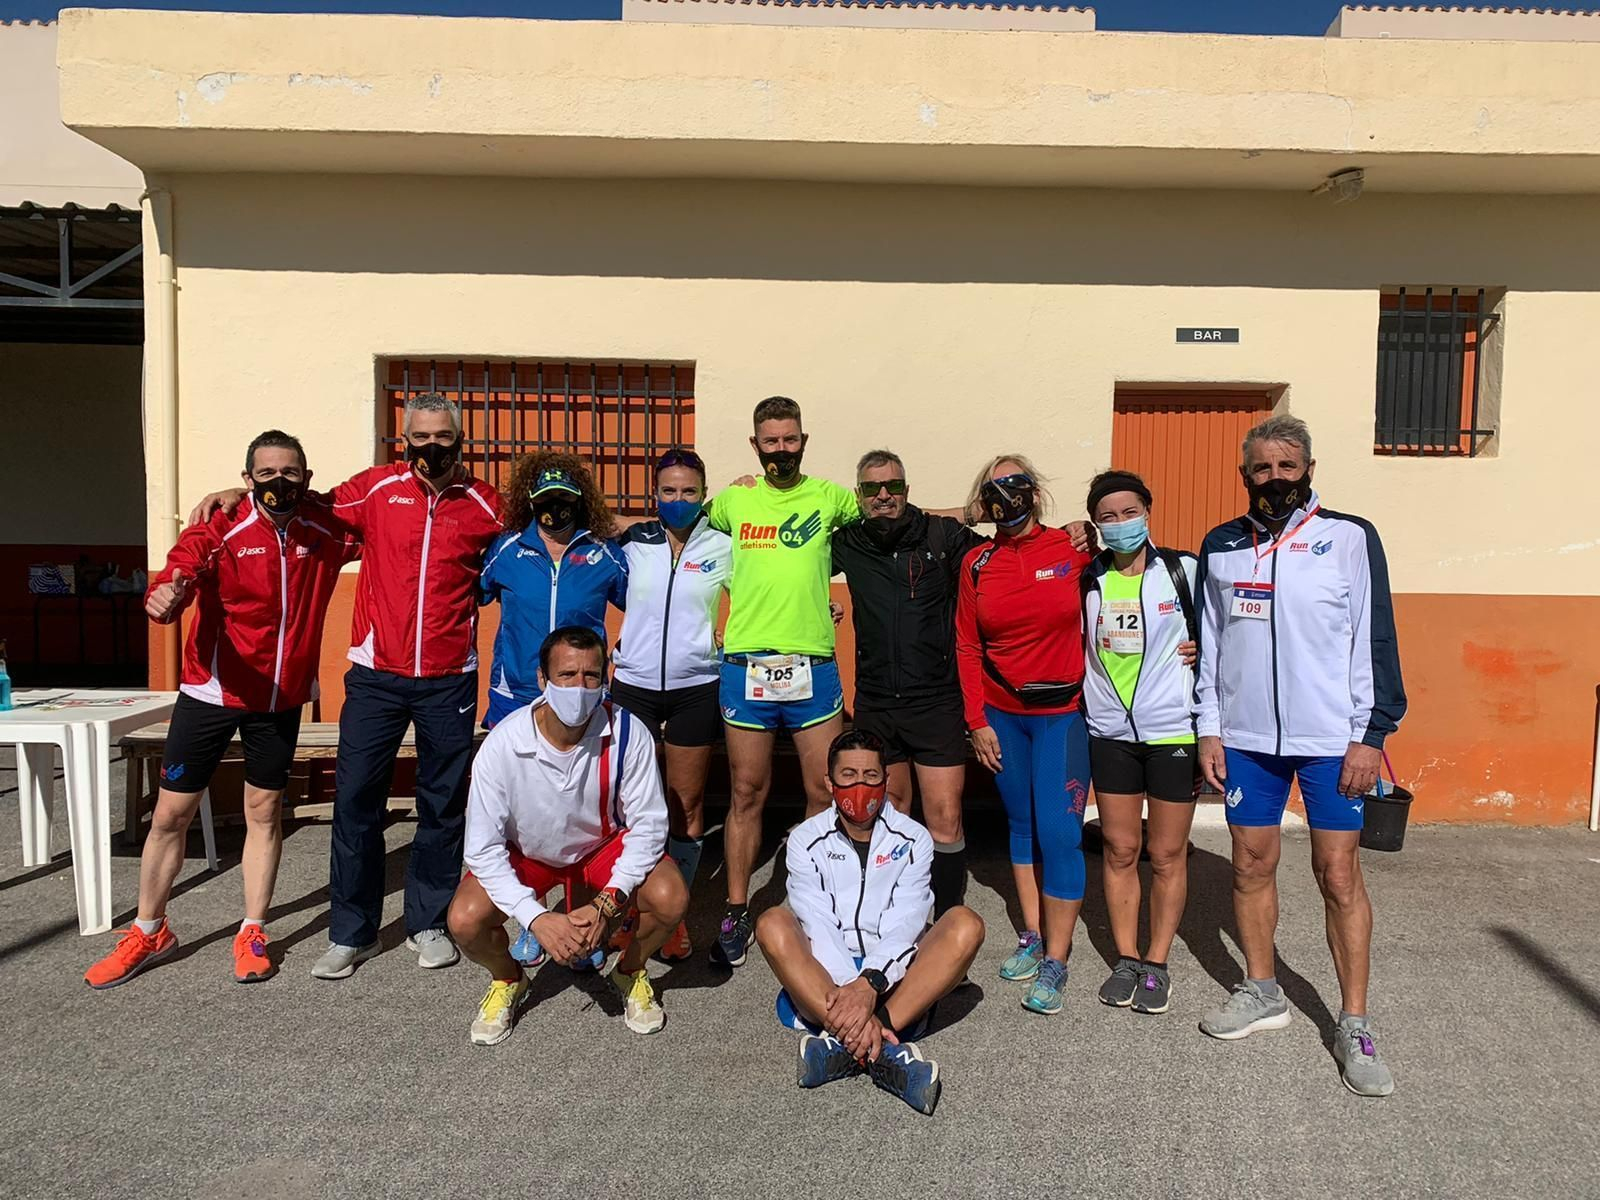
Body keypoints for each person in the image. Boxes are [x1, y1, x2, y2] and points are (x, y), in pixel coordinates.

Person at [192, 392, 505, 977]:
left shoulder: (485, 504)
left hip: (449, 679)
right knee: (356, 802)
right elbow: (291, 501)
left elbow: (548, 523)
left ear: (460, 441)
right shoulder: (374, 488)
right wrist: (234, 496)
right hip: (375, 677)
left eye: (443, 437)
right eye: (420, 437)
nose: (431, 447)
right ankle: (351, 932)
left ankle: (428, 923)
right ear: (403, 440)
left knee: (443, 807)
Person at [86, 431, 359, 988]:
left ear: (307, 479)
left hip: (278, 699)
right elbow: (178, 570)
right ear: (248, 478)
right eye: (265, 474)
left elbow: (377, 517)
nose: (278, 482)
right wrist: (163, 593)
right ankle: (149, 928)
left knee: (264, 813)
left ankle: (253, 929)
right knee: (170, 816)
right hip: (211, 693)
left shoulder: (326, 526)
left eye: (290, 473)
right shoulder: (221, 525)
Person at [1193, 414, 1406, 1098]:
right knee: (1251, 863)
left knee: (1337, 874)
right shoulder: (1222, 545)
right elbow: (1212, 646)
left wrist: (1370, 735)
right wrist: (1209, 728)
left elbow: (1375, 638)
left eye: (1288, 466)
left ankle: (1354, 1023)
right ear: (1244, 474)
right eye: (1262, 467)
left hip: (1330, 743)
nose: (1275, 478)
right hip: (1248, 741)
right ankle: (1262, 991)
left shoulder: (1348, 538)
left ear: (1309, 469)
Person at [446, 626, 685, 1045]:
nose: (580, 687)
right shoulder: (502, 745)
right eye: (566, 675)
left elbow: (648, 825)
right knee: (464, 920)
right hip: (530, 855)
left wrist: (607, 906)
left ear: (605, 679)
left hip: (600, 848)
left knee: (671, 898)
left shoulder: (629, 733)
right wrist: (535, 918)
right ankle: (508, 979)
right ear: (542, 680)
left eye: (591, 676)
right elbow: (482, 851)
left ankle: (629, 970)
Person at [701, 396, 860, 968]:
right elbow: (677, 520)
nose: (781, 450)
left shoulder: (831, 496)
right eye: (771, 441)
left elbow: (894, 510)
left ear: (804, 440)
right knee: (747, 792)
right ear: (755, 445)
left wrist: (973, 512)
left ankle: (817, 904)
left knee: (824, 792)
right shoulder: (734, 501)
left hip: (812, 665)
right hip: (747, 666)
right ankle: (737, 907)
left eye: (790, 439)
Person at [754, 730, 984, 1116]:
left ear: (886, 780)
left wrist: (871, 983)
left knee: (966, 923)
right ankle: (884, 1051)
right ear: (829, 782)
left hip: (891, 977)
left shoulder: (915, 838)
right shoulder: (805, 840)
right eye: (848, 775)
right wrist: (851, 990)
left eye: (870, 776)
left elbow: (907, 922)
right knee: (772, 922)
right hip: (827, 981)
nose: (860, 786)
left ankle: (845, 1044)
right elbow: (817, 923)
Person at [956, 455, 1092, 1015]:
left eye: (1017, 486)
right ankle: (1033, 937)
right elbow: (966, 644)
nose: (1007, 498)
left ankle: (1057, 959)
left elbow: (1143, 575)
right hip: (1002, 717)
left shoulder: (1075, 547)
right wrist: (977, 721)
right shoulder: (976, 562)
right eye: (995, 490)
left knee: (1060, 836)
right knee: (1020, 825)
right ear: (983, 501)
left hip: (1063, 714)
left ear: (1035, 493)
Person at [831, 449, 987, 922]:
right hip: (877, 701)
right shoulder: (848, 542)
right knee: (889, 819)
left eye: (893, 487)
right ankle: (893, 920)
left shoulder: (942, 536)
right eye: (873, 489)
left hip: (936, 701)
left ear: (906, 491)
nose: (883, 496)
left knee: (944, 819)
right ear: (858, 496)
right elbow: (788, 568)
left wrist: (1073, 536)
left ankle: (945, 925)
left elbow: (1003, 556)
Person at [1079, 470, 1200, 1016]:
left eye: (1130, 512)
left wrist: (1204, 653)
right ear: (1096, 524)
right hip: (1110, 732)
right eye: (1108, 516)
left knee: (1166, 853)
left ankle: (1157, 962)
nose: (1120, 523)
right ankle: (1126, 958)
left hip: (1173, 729)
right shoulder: (1086, 579)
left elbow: (1224, 635)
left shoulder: (1184, 571)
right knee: (1120, 849)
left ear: (1148, 512)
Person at [610, 448, 732, 961]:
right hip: (632, 685)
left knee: (685, 804)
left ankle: (674, 916)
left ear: (703, 494)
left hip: (696, 686)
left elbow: (767, 588)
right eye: (668, 492)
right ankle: (619, 911)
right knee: (623, 804)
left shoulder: (725, 545)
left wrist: (824, 603)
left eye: (688, 492)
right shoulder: (631, 542)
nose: (678, 500)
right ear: (653, 495)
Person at [480, 452, 626, 728]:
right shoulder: (506, 550)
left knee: (582, 770)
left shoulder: (604, 553)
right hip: (514, 692)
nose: (555, 505)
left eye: (565, 497)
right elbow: (471, 592)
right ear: (531, 500)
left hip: (582, 690)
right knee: (513, 771)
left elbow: (645, 603)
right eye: (545, 498)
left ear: (580, 500)